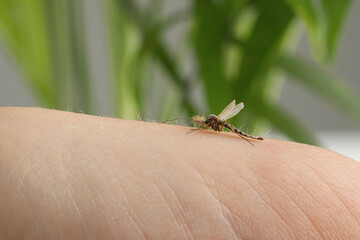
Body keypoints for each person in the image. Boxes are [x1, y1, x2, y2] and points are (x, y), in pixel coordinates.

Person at [0, 107, 359, 239]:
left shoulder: (218, 125)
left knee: (238, 137)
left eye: (205, 124)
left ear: (211, 123)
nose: (203, 124)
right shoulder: (208, 124)